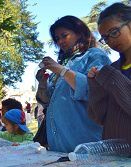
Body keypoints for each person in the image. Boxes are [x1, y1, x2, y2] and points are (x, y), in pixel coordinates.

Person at [36, 15, 111, 152]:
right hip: (58, 144)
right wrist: (42, 83)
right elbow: (47, 102)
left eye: (64, 35)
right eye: (57, 39)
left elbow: (95, 90)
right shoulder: (62, 65)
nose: (60, 42)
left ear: (79, 33)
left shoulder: (94, 55)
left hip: (85, 142)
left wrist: (61, 70)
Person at [87, 3, 131, 144]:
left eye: (114, 32)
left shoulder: (111, 73)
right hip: (114, 155)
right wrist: (95, 86)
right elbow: (99, 118)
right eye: (105, 38)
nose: (110, 41)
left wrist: (111, 78)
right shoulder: (113, 69)